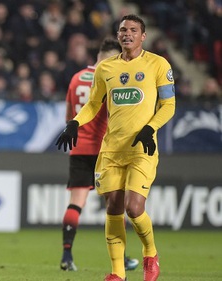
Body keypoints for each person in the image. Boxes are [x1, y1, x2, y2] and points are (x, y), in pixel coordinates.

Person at [56, 14, 175, 281]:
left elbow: (169, 105)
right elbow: (93, 105)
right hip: (111, 150)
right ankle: (117, 274)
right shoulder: (105, 68)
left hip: (141, 149)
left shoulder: (158, 64)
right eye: (123, 30)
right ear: (118, 35)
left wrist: (150, 127)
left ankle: (150, 254)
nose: (127, 34)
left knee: (134, 208)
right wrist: (75, 123)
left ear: (143, 36)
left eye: (133, 30)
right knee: (113, 208)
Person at [59, 38, 139, 273]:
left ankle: (66, 256)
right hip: (105, 149)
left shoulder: (76, 78)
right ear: (110, 57)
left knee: (76, 203)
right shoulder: (110, 77)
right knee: (114, 205)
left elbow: (68, 115)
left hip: (78, 148)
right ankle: (121, 259)